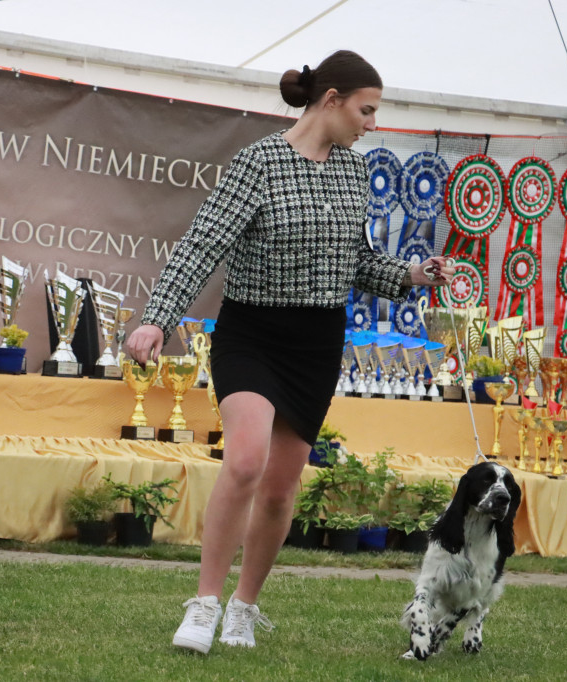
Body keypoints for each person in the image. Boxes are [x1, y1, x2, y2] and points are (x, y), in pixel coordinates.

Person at [124, 49, 455, 654]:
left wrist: (414, 275)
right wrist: (155, 320)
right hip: (251, 334)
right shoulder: (259, 162)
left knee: (280, 488)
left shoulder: (355, 173)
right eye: (367, 109)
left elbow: (359, 264)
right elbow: (202, 245)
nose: (372, 123)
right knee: (245, 461)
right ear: (331, 100)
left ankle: (244, 609)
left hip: (316, 344)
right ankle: (202, 604)